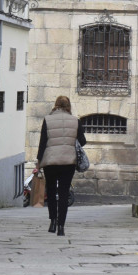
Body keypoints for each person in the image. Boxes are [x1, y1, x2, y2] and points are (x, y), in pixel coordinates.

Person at [37, 95, 86, 236]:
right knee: (64, 193)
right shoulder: (76, 121)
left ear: (56, 105)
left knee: (51, 192)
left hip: (50, 162)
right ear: (68, 106)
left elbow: (42, 143)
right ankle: (61, 226)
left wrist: (38, 162)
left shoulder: (47, 120)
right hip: (68, 161)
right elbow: (82, 141)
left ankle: (52, 222)